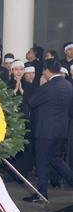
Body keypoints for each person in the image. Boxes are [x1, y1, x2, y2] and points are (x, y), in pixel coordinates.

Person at [25, 59, 73, 202]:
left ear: (46, 70)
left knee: (42, 162)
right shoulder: (68, 85)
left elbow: (32, 102)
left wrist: (40, 86)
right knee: (55, 159)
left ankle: (41, 194)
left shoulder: (48, 86)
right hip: (61, 131)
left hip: (46, 131)